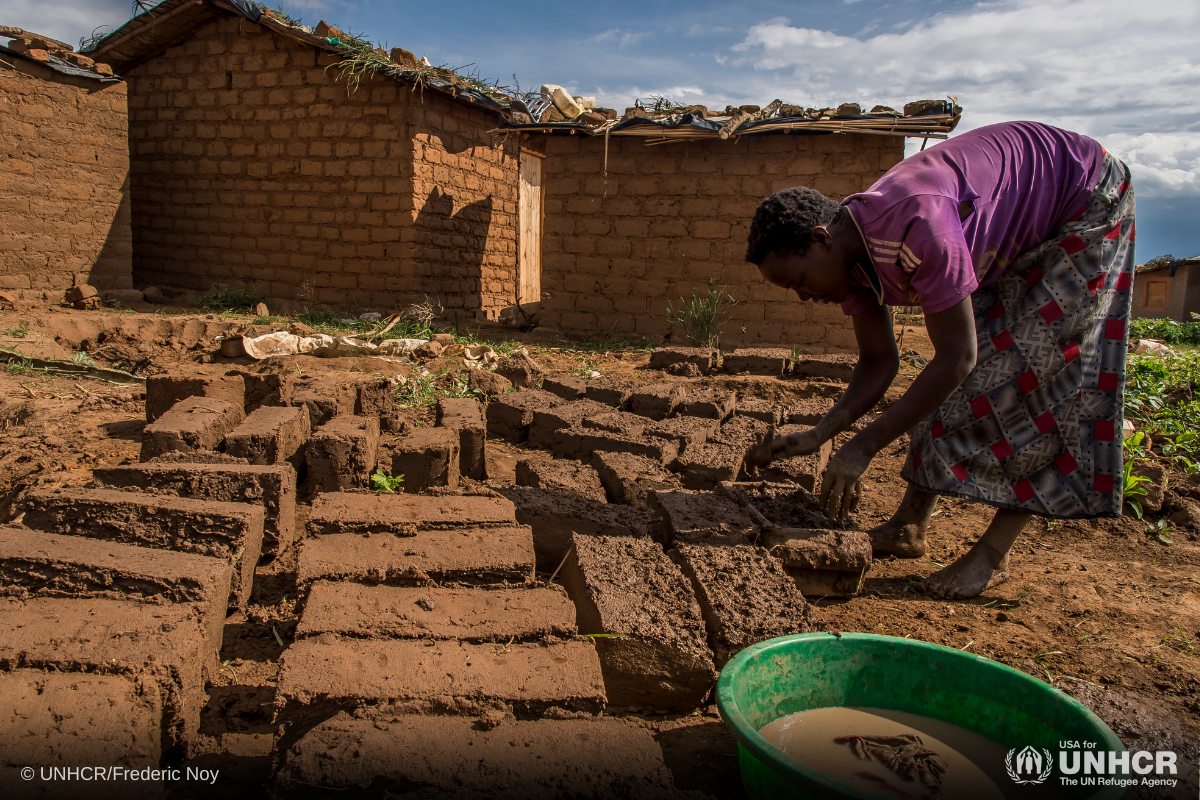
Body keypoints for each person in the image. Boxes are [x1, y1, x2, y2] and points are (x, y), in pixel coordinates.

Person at [743, 120, 1135, 599]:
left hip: (1084, 198)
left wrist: (862, 447)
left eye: (799, 281)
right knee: (945, 379)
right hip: (1015, 229)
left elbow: (957, 358)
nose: (804, 297)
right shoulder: (855, 260)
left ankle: (990, 557)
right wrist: (823, 433)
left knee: (1038, 381)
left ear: (823, 239)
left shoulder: (919, 226)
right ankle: (908, 527)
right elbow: (878, 362)